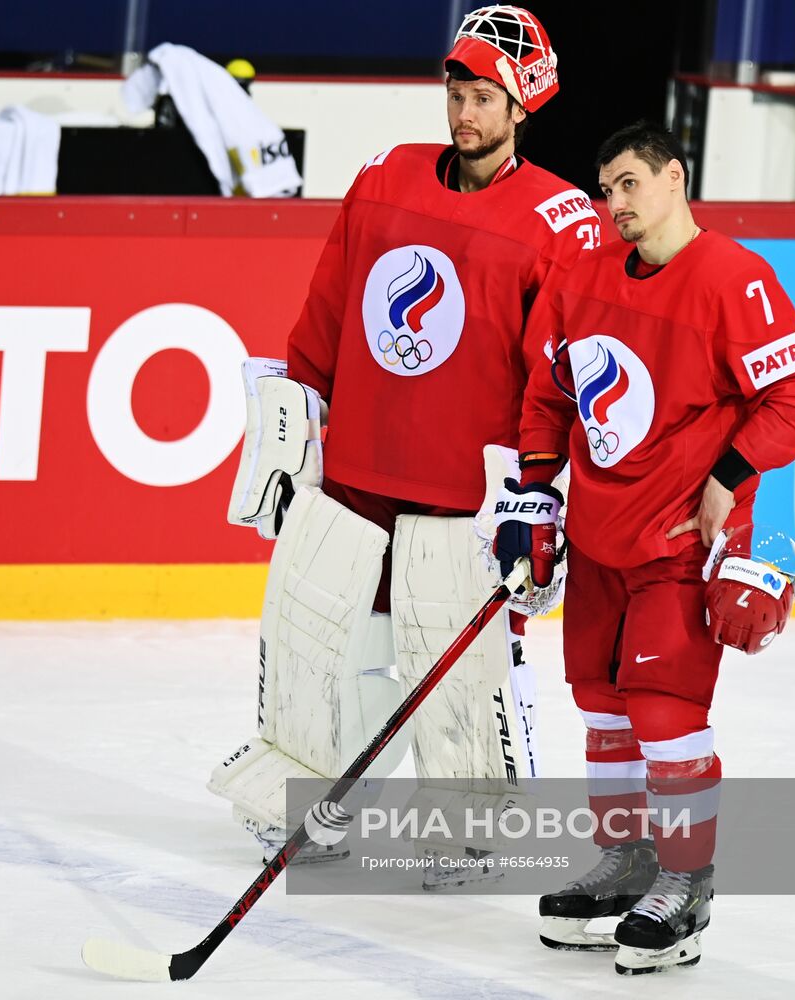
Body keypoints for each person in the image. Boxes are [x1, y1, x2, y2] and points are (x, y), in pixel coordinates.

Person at [212, 4, 599, 887]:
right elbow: (327, 311)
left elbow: (556, 378)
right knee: (319, 643)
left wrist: (537, 494)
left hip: (464, 491)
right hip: (357, 472)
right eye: (456, 92)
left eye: (484, 99)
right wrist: (295, 407)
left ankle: (469, 830)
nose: (464, 114)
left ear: (522, 106)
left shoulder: (559, 220)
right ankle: (313, 803)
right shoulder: (384, 179)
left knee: (456, 668)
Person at [493, 121, 795, 973]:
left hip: (681, 542)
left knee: (665, 717)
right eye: (605, 188)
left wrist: (729, 473)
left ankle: (685, 881)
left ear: (675, 177)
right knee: (603, 710)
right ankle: (628, 861)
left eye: (630, 184)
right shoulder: (584, 275)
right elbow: (548, 394)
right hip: (600, 537)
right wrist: (536, 496)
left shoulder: (733, 278)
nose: (615, 204)